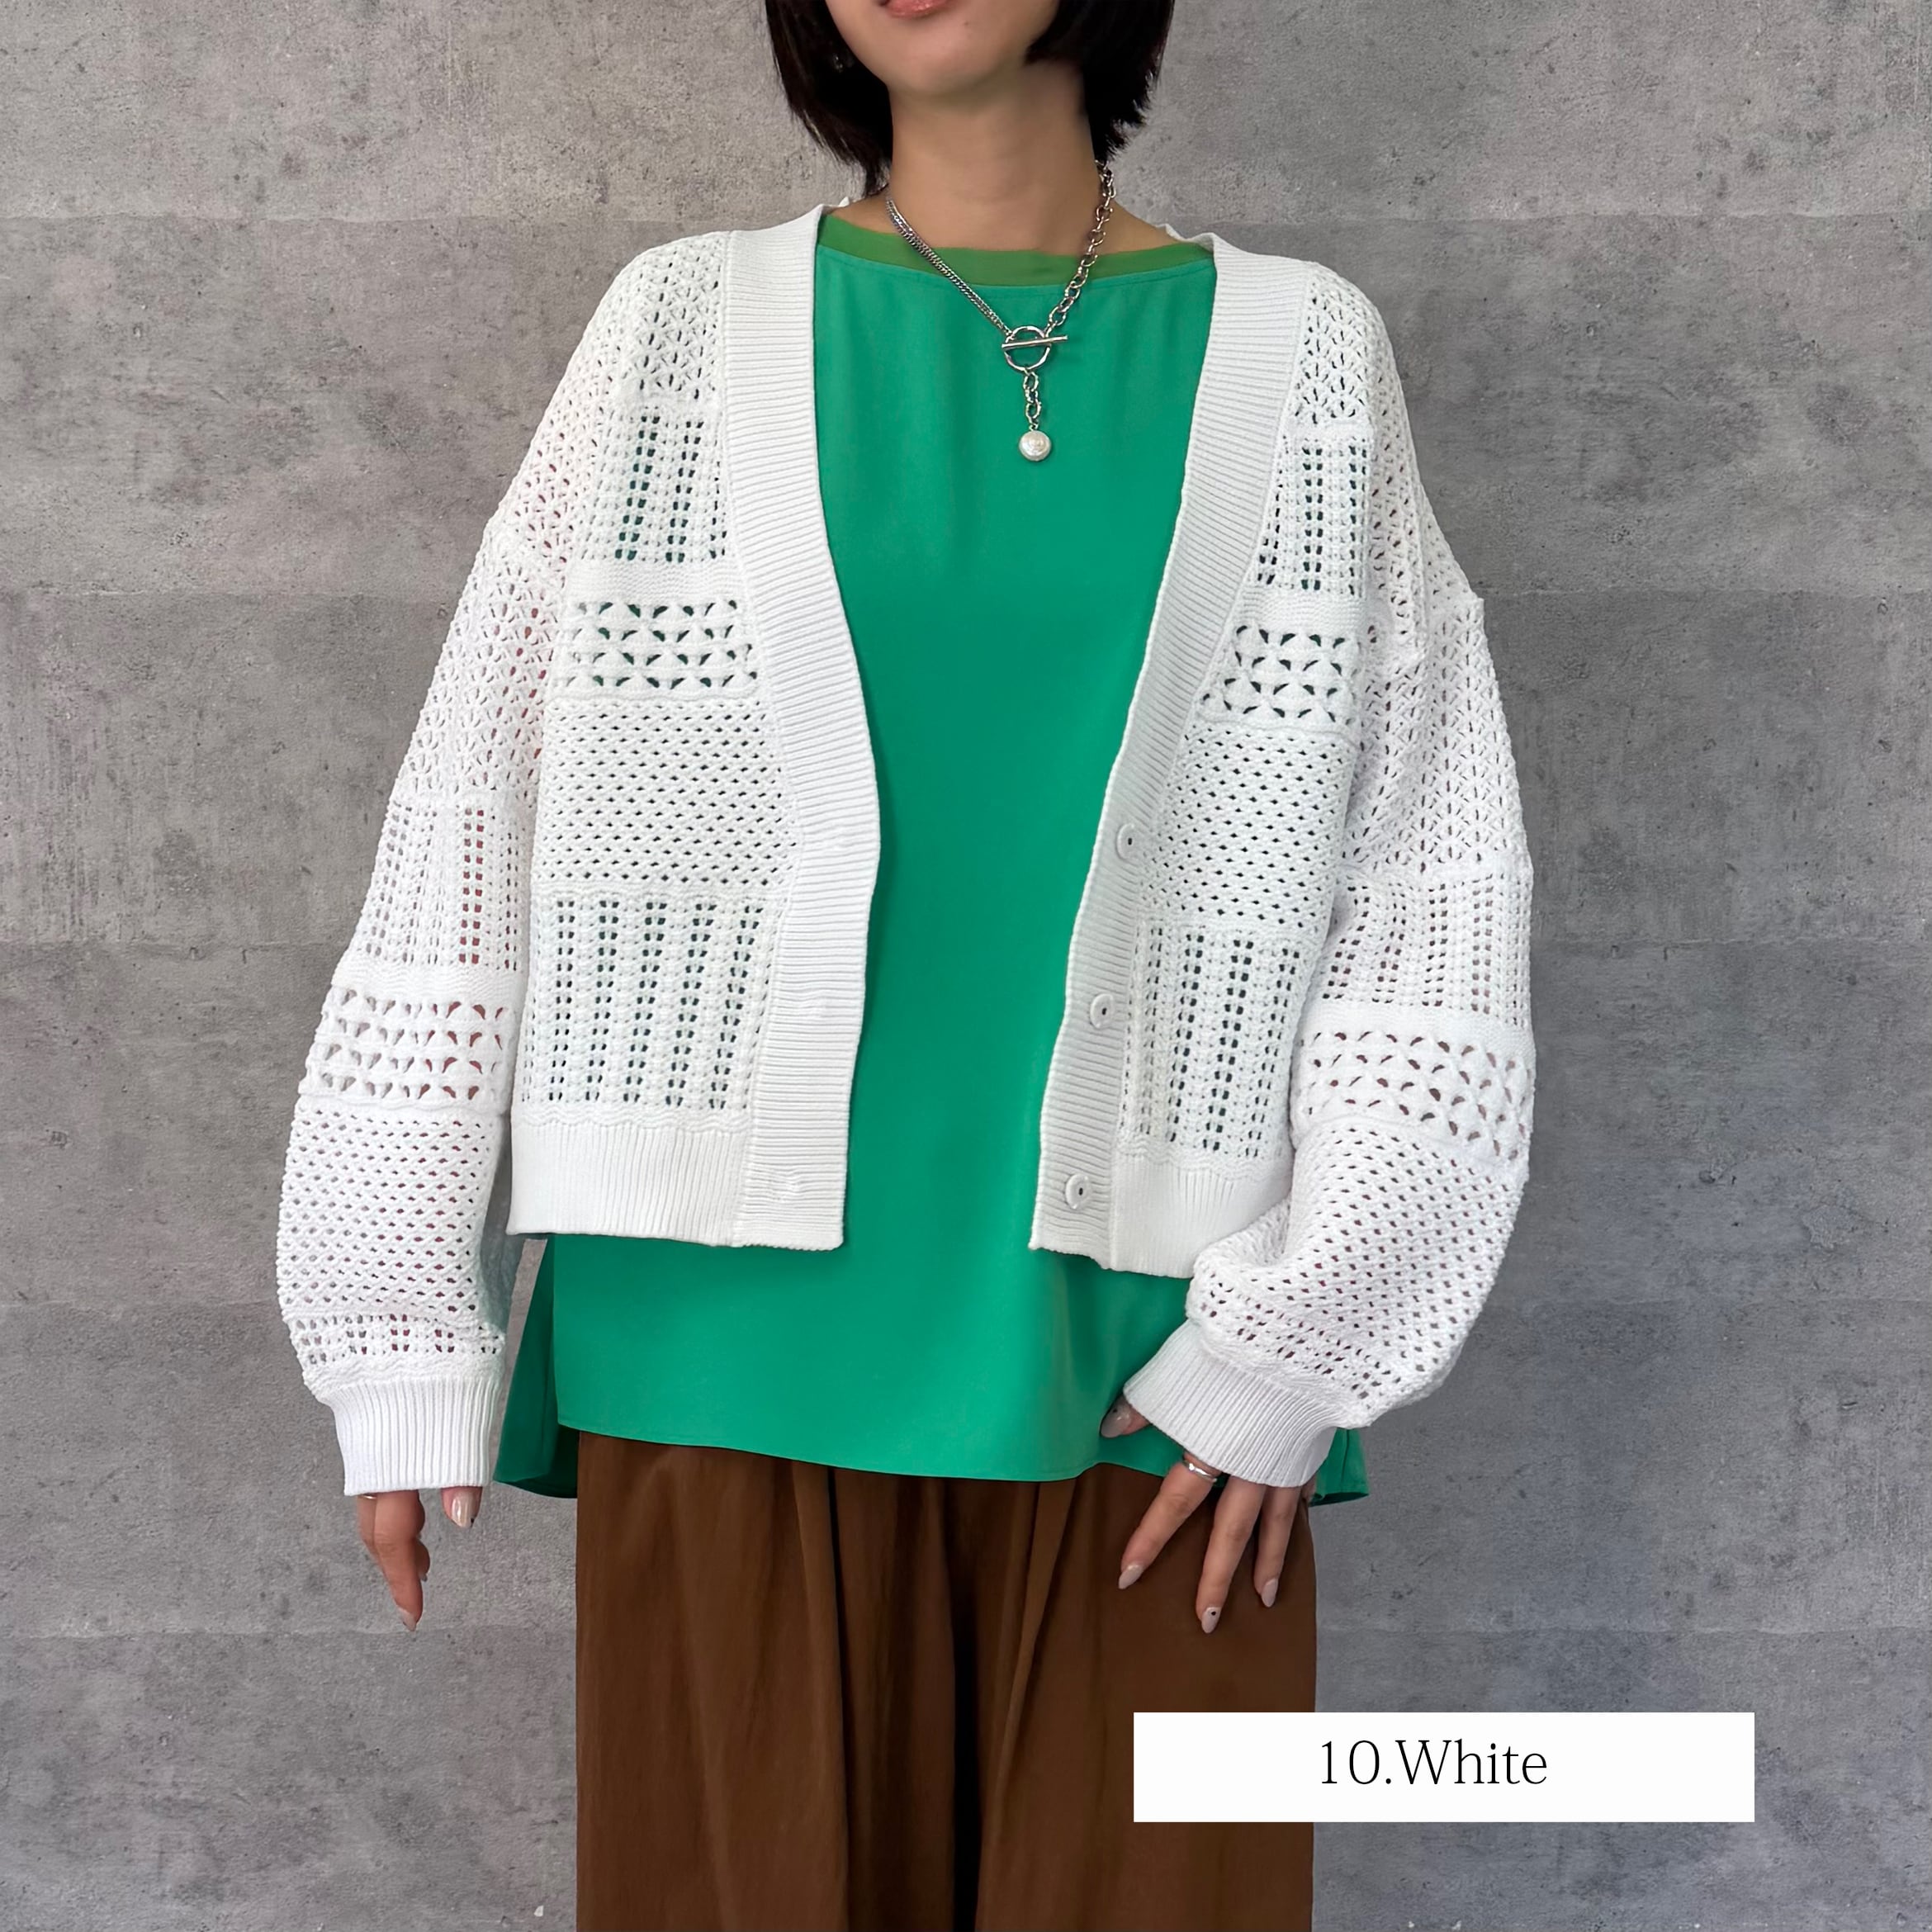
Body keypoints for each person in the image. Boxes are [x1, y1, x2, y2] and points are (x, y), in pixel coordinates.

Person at [272, 1, 1536, 1925]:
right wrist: (395, 1321)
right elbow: (475, 806)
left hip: (1154, 1383)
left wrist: (1305, 1343)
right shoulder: (679, 329)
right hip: (719, 1352)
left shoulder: (1303, 356)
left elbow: (1427, 870)